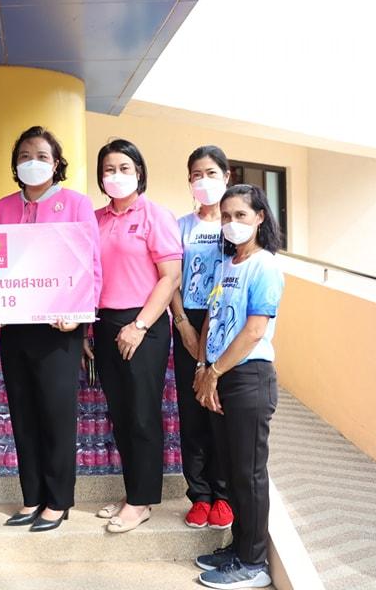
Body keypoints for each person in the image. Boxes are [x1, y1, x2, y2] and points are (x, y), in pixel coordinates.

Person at [0, 126, 101, 532]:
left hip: (59, 329)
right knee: (23, 413)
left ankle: (58, 500)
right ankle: (31, 496)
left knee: (56, 415)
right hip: (15, 326)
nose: (31, 162)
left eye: (41, 155)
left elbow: (91, 265)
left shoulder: (77, 204)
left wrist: (80, 314)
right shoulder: (2, 207)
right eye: (24, 155)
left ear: (56, 164)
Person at [89, 139, 182, 534]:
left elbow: (170, 277)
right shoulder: (94, 219)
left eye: (124, 168)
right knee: (121, 414)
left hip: (144, 324)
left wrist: (139, 326)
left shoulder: (155, 216)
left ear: (139, 172)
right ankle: (133, 493)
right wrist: (85, 329)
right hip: (104, 322)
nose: (116, 175)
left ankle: (142, 501)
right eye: (109, 169)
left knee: (142, 414)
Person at [193, 184, 284, 590]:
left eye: (241, 215)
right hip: (219, 374)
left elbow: (254, 330)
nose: (232, 223)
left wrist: (214, 372)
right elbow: (212, 319)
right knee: (231, 470)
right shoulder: (226, 264)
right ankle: (238, 547)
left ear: (260, 217)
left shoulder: (265, 266)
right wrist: (203, 367)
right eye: (226, 216)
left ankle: (253, 562)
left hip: (248, 377)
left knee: (248, 473)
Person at [170, 146, 233, 531]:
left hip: (225, 322)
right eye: (196, 175)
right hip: (188, 321)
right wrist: (183, 325)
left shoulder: (236, 224)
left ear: (226, 176)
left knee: (220, 409)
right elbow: (170, 278)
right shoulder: (181, 226)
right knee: (192, 410)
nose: (203, 181)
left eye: (211, 173)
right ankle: (200, 495)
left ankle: (223, 494)